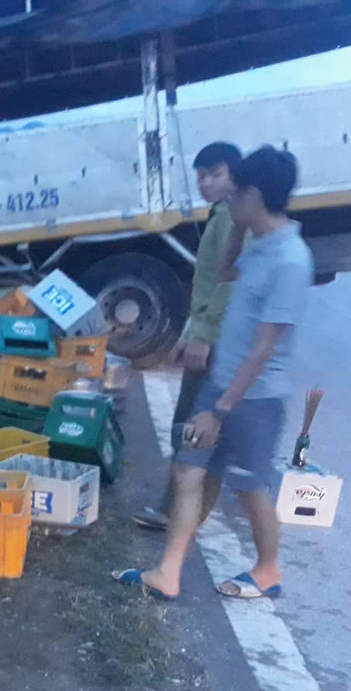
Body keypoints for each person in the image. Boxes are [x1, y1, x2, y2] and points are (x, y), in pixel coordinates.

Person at [113, 146, 313, 601]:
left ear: (254, 194)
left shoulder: (290, 260)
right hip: (221, 386)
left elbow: (264, 350)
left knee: (247, 487)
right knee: (187, 470)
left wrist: (220, 412)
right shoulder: (258, 243)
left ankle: (267, 569)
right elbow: (223, 271)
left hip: (253, 400)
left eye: (235, 192)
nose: (226, 200)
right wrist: (239, 226)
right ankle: (168, 572)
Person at [132, 141, 244, 531]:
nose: (206, 183)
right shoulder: (222, 215)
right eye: (201, 176)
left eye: (216, 174)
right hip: (212, 333)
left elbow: (228, 284)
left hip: (221, 340)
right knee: (193, 424)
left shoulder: (233, 218)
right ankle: (178, 512)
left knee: (197, 426)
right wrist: (190, 331)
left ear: (235, 174)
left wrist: (205, 336)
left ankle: (179, 514)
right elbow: (207, 284)